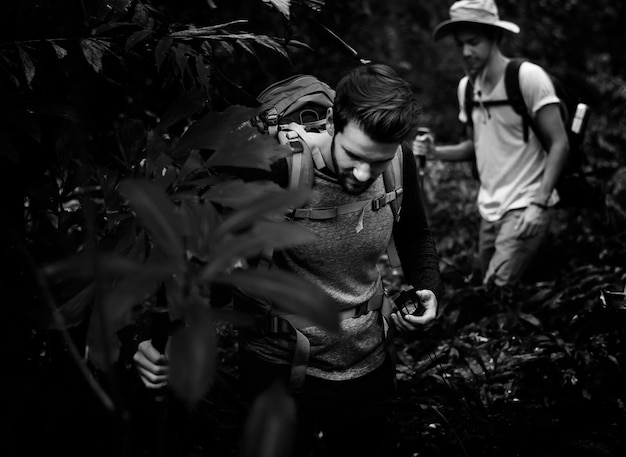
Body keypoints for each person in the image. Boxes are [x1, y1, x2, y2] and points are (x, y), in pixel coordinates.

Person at [134, 63, 442, 457]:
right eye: (353, 155)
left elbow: (415, 232)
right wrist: (164, 336)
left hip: (370, 364)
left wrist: (428, 285)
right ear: (333, 121)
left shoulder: (399, 163)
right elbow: (200, 256)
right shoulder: (278, 167)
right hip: (279, 369)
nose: (364, 173)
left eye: (378, 162)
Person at [415, 0, 569, 289]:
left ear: (495, 37)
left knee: (496, 287)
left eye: (474, 42)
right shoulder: (468, 88)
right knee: (487, 291)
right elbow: (473, 146)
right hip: (490, 207)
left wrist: (539, 203)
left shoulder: (528, 78)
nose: (466, 52)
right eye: (460, 44)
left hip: (527, 202)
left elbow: (559, 143)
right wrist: (434, 152)